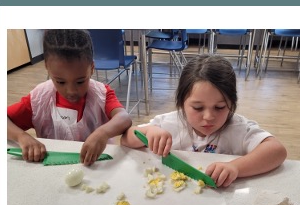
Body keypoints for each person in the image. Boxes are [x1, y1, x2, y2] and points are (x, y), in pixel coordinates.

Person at [121, 54, 287, 188]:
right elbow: (125, 138)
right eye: (198, 108)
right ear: (181, 104)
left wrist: (235, 167)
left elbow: (277, 151)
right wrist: (148, 132)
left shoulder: (238, 128)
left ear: (232, 104)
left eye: (220, 107)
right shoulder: (169, 123)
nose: (208, 117)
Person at [7, 29, 132, 165]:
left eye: (80, 81)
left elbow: (124, 118)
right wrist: (21, 137)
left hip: (97, 168)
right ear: (47, 67)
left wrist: (103, 133)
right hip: (54, 169)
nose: (71, 91)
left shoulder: (101, 94)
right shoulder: (39, 99)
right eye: (60, 82)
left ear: (91, 68)